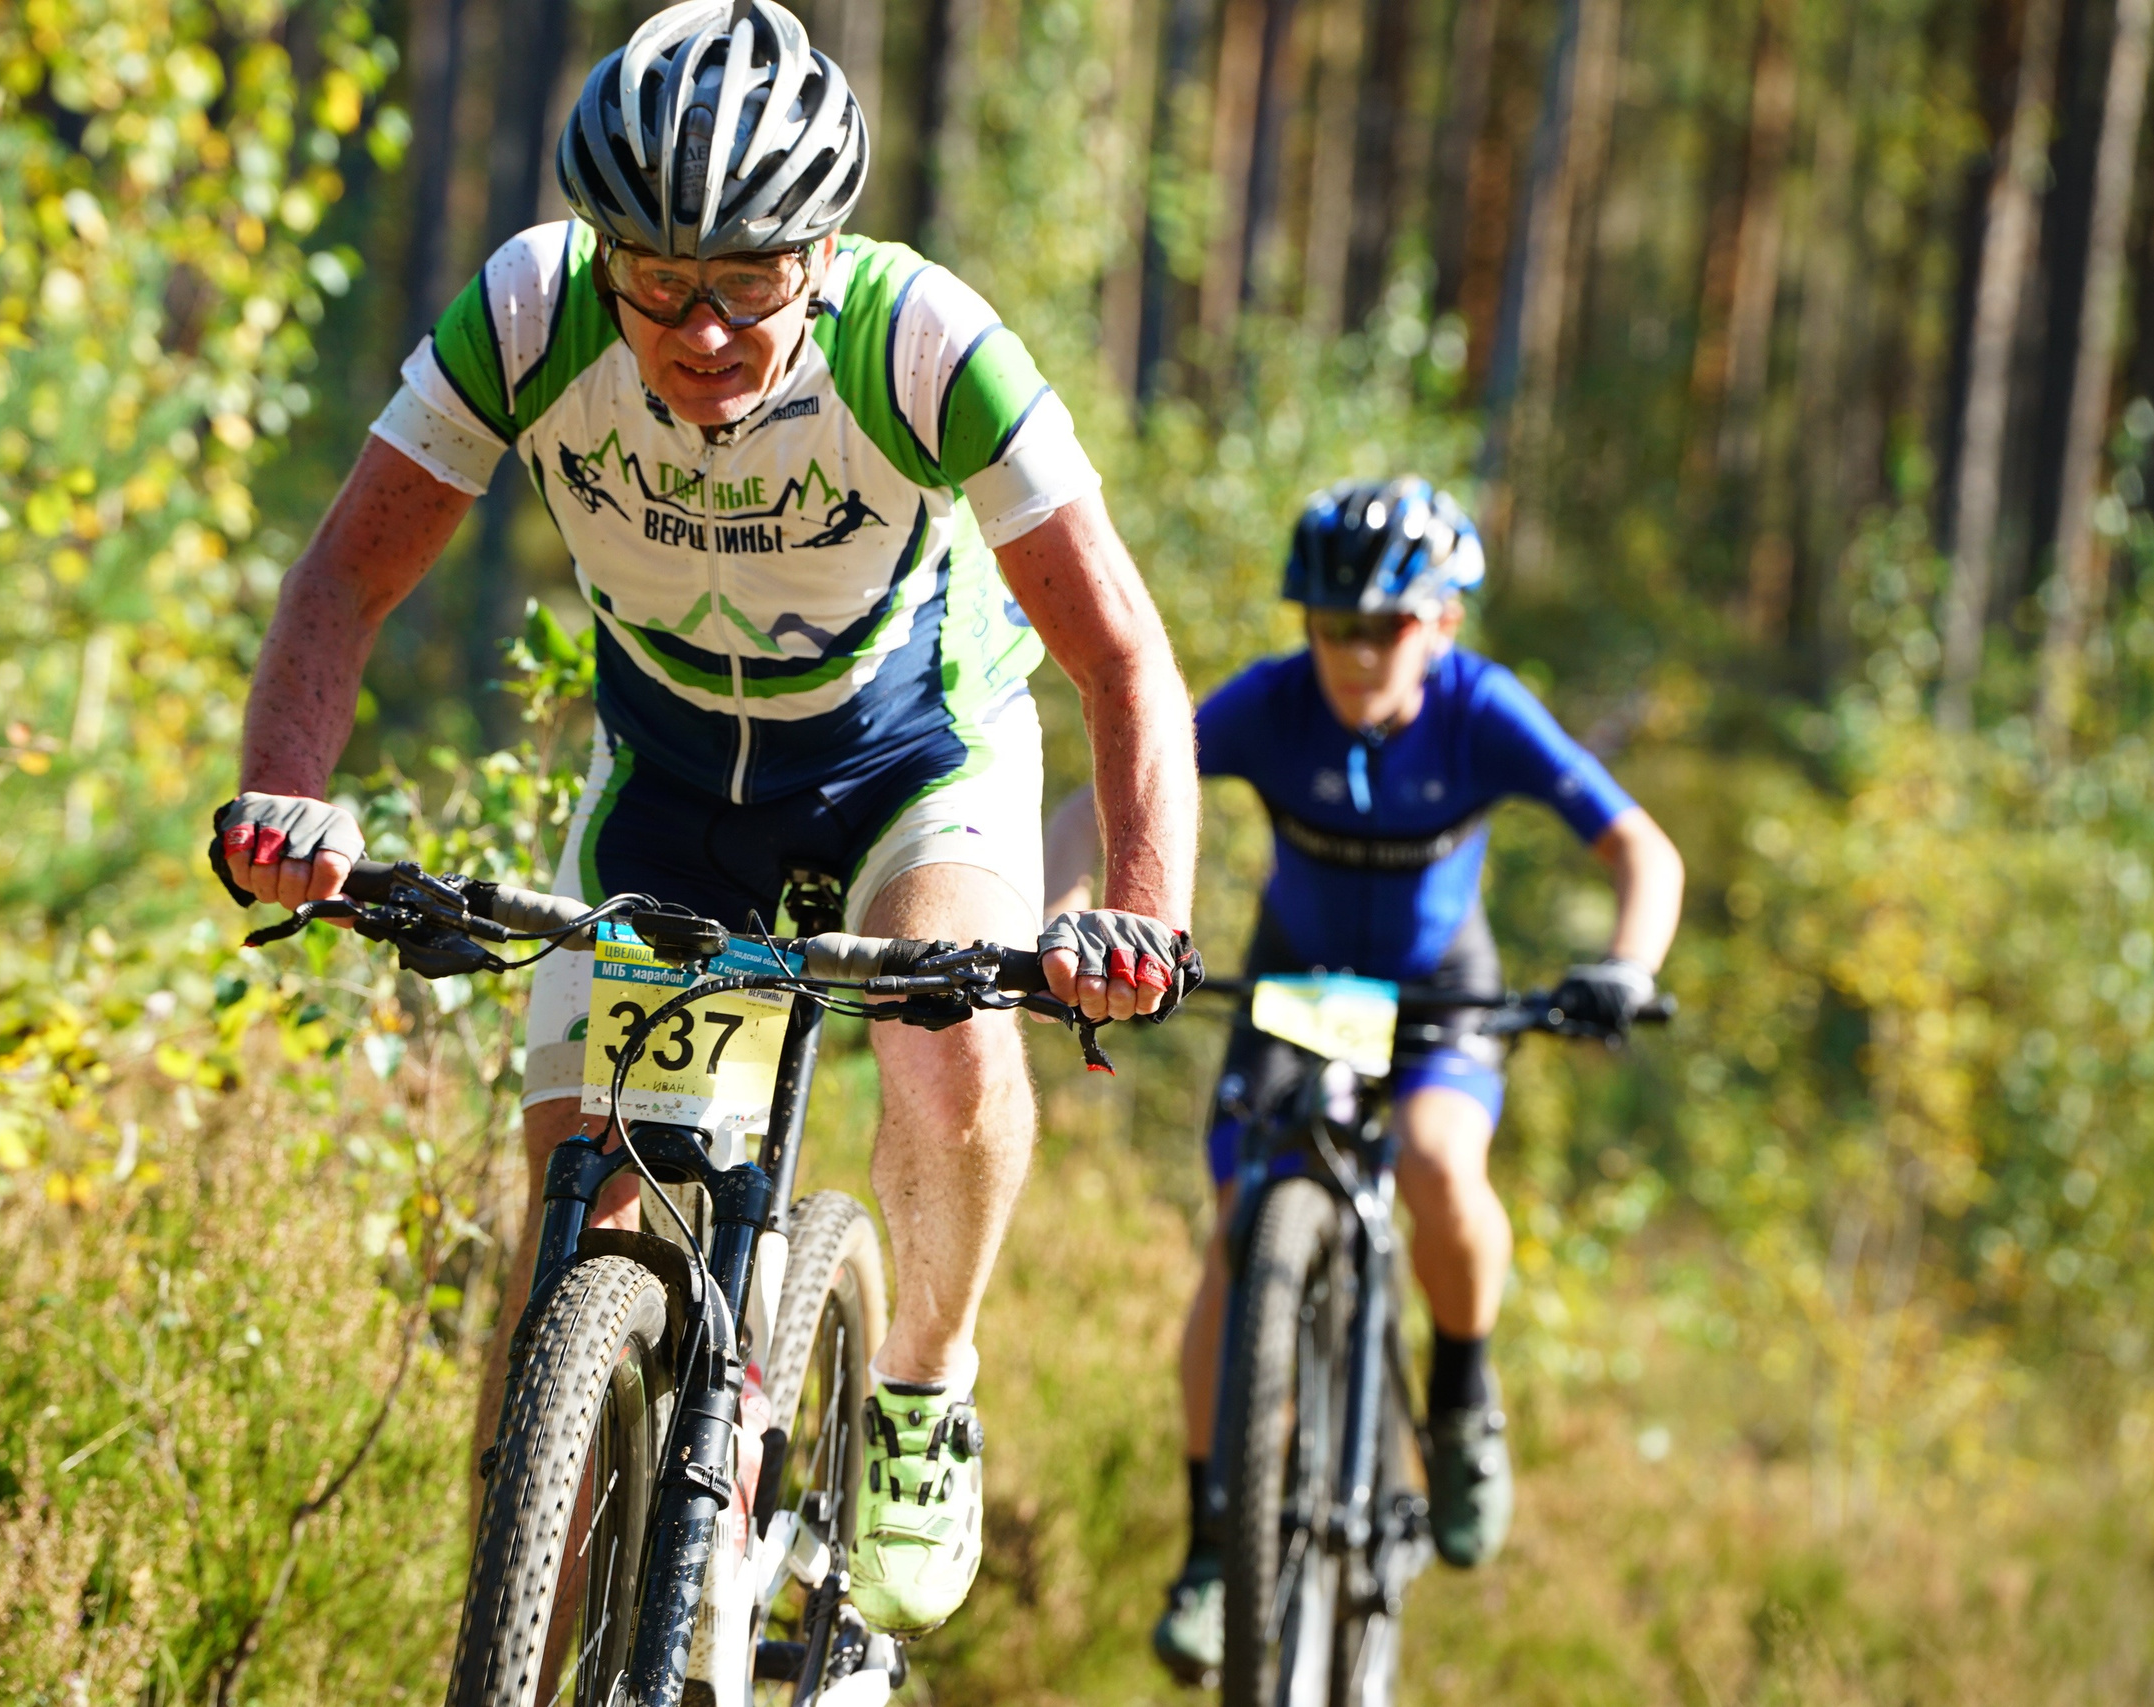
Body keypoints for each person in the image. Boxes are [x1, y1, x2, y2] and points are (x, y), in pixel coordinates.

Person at [207, 0, 1200, 1641]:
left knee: (943, 1018)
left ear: (824, 249)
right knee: (569, 1263)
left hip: (911, 769)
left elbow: (1121, 650)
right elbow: (344, 577)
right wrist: (289, 804)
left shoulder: (921, 340)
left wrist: (1144, 907)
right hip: (668, 793)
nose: (703, 325)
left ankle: (921, 1379)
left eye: (749, 278)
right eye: (658, 279)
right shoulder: (532, 313)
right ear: (600, 256)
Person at [1040, 477, 1684, 1684]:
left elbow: (1641, 850)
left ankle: (1459, 1401)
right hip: (1300, 991)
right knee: (1238, 1233)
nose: (1351, 651)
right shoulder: (1273, 705)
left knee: (1441, 1161)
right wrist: (1062, 914)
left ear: (1440, 622)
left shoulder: (1483, 710)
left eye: (1383, 626)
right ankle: (1211, 1551)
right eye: (1328, 623)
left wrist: (1622, 966)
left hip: (1443, 992)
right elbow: (1093, 801)